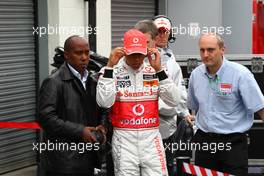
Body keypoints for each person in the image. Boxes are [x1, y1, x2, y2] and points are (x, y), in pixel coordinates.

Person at [96, 28, 182, 176]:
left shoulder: (155, 70)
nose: (136, 59)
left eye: (140, 54)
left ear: (146, 51)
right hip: (124, 139)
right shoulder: (111, 71)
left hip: (151, 138)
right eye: (132, 54)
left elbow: (174, 100)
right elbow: (104, 102)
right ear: (124, 51)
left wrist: (160, 71)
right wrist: (110, 66)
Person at [187, 33, 264, 175]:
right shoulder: (196, 75)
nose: (205, 54)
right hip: (204, 143)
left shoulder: (240, 74)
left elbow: (261, 109)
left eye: (210, 50)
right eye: (202, 50)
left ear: (222, 49)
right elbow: (194, 106)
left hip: (232, 144)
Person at [38, 35, 107, 176]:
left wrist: (102, 126)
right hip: (63, 161)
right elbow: (46, 118)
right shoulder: (54, 82)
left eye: (87, 53)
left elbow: (103, 108)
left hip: (88, 156)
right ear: (67, 56)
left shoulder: (92, 80)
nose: (84, 57)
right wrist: (80, 131)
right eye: (78, 53)